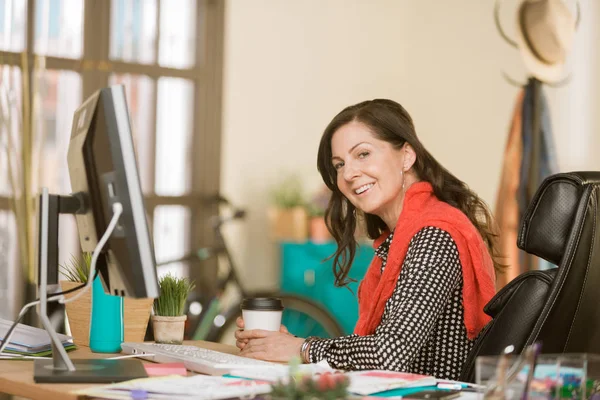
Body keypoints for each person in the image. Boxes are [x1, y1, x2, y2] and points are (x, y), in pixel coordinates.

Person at [235, 99, 500, 379]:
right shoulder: (402, 237)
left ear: (407, 155)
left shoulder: (434, 235)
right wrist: (280, 346)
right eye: (339, 165)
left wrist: (301, 348)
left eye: (362, 154)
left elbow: (389, 354)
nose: (348, 174)